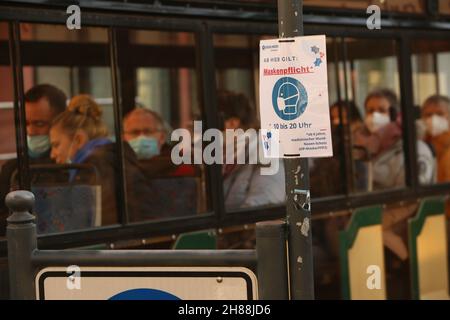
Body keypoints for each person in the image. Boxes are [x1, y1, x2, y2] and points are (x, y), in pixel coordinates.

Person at [353, 88, 435, 260]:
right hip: (372, 209)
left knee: (363, 227)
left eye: (382, 110)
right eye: (370, 110)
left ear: (395, 113)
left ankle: (407, 263)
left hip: (404, 215)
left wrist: (376, 217)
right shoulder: (362, 145)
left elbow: (416, 193)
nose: (374, 116)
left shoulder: (414, 147)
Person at [0, 84, 67, 231]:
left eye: (39, 123)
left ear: (60, 121)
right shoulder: (12, 168)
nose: (31, 131)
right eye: (26, 123)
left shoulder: (69, 164)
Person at [49, 94, 118, 225]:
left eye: (56, 145)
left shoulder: (92, 169)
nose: (52, 154)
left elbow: (79, 223)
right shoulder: (112, 156)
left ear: (79, 140)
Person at [218, 90, 285, 210]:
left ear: (233, 123)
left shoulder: (264, 151)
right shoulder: (226, 155)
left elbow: (265, 198)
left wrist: (233, 225)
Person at [123, 107, 195, 177]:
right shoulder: (117, 169)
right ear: (124, 138)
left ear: (162, 137)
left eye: (148, 131)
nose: (141, 137)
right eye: (134, 132)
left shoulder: (182, 167)